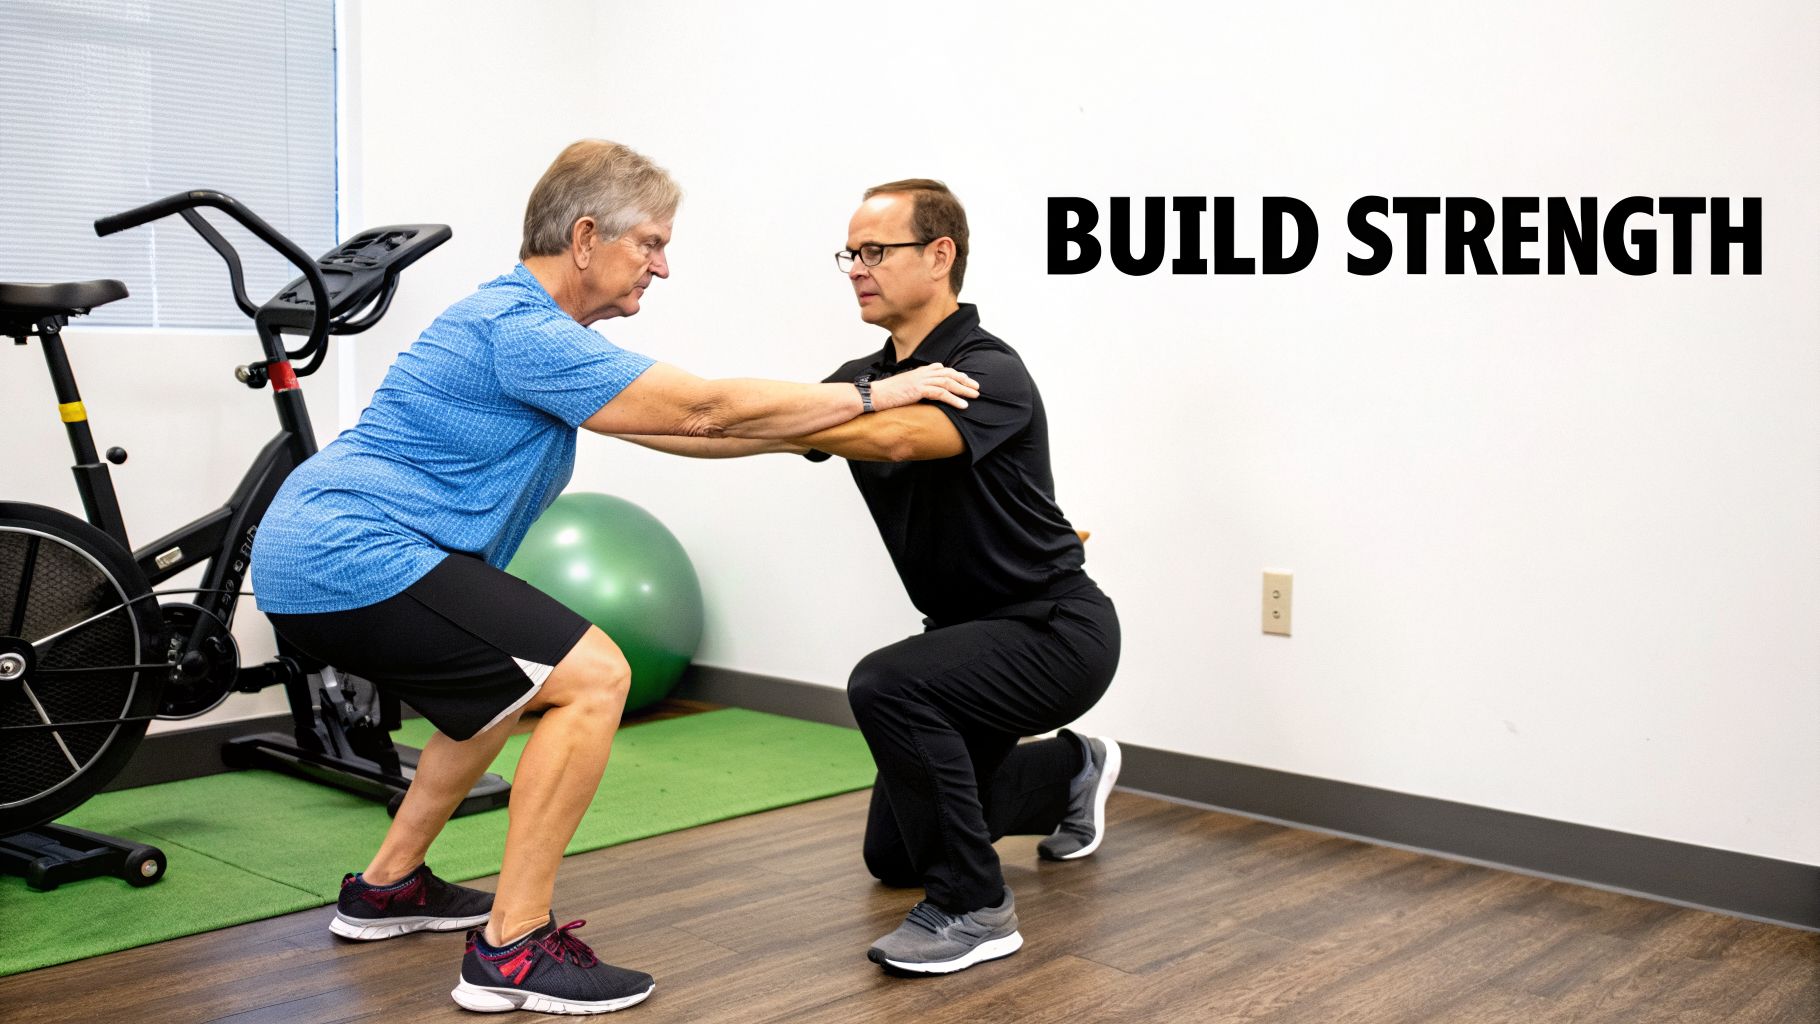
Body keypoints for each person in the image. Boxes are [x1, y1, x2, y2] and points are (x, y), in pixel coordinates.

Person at [248, 142, 978, 1015]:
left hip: (323, 550)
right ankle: (514, 948)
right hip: (353, 550)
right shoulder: (522, 330)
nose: (661, 267)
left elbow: (681, 427)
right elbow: (701, 407)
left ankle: (388, 888)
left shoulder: (526, 328)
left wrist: (803, 433)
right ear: (587, 237)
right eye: (651, 244)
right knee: (595, 676)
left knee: (504, 692)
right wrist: (870, 396)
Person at [616, 179, 1121, 975]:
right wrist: (607, 415)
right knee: (894, 855)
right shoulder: (867, 376)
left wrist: (834, 410)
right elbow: (730, 432)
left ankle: (976, 909)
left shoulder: (988, 369)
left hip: (1053, 632)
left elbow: (898, 439)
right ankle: (1067, 774)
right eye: (850, 253)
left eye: (876, 251)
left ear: (940, 256)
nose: (856, 267)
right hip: (963, 639)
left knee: (888, 684)